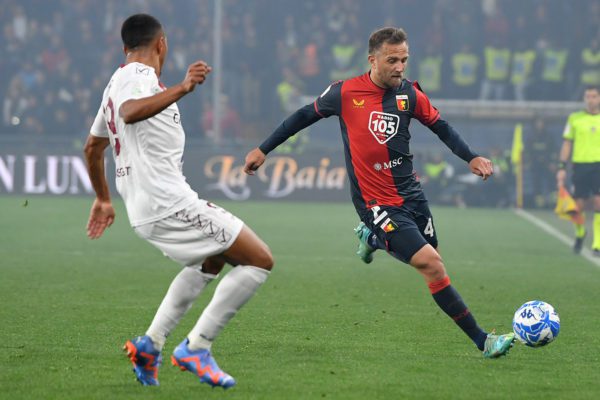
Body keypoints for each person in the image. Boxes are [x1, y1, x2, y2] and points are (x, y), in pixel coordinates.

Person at [244, 27, 514, 358]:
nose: (400, 67)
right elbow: (302, 116)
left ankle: (373, 239)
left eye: (404, 60)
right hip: (374, 202)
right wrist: (263, 149)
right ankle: (483, 341)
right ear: (373, 60)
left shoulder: (410, 95)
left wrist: (471, 157)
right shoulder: (345, 92)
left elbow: (441, 127)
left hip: (411, 194)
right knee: (431, 264)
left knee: (434, 259)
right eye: (392, 60)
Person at [83, 14, 273, 388]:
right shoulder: (137, 76)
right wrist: (184, 87)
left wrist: (103, 199)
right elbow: (130, 113)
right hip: (167, 203)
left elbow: (93, 146)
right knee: (259, 260)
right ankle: (197, 347)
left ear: (124, 47)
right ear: (162, 44)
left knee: (211, 259)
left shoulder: (115, 84)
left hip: (149, 205)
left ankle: (149, 345)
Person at [556, 86, 600, 254]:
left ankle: (597, 243)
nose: (590, 100)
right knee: (578, 206)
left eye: (594, 96)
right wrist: (562, 166)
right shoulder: (575, 118)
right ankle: (580, 233)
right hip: (580, 165)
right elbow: (567, 143)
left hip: (598, 165)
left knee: (598, 201)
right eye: (588, 96)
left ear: (599, 98)